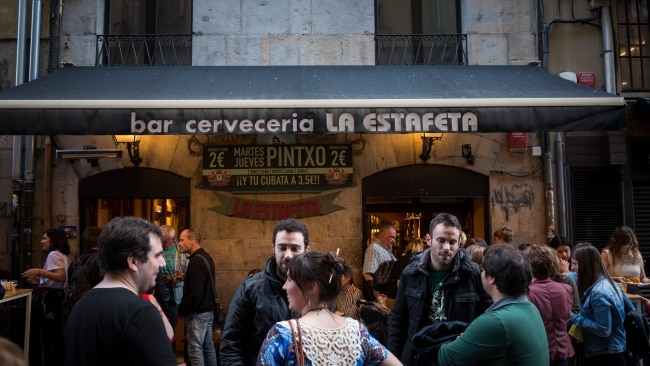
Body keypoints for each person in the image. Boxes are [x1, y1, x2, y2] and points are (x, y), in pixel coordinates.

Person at [64, 216, 181, 365]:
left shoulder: (80, 306)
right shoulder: (140, 313)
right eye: (157, 255)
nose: (163, 263)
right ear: (133, 261)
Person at [257, 251, 402, 365]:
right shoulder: (356, 332)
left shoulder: (282, 335)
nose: (285, 286)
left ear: (311, 287)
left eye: (290, 279)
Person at [388, 213, 492, 365]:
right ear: (428, 240)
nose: (446, 248)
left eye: (452, 242)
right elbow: (398, 322)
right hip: (418, 357)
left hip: (458, 357)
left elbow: (487, 319)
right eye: (441, 240)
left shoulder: (473, 274)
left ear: (459, 244)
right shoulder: (411, 274)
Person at [435, 244, 549, 365]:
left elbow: (446, 358)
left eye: (483, 269)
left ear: (492, 278)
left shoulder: (497, 321)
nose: (481, 273)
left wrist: (459, 341)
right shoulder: (530, 307)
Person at [220, 218, 310, 366]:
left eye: (295, 248)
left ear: (306, 250)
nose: (288, 255)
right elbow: (231, 346)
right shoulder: (251, 288)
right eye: (282, 247)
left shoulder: (317, 292)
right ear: (273, 248)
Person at [571, 244, 635, 365]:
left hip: (605, 356)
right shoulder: (610, 284)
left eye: (575, 264)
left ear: (586, 265)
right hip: (615, 351)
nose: (572, 268)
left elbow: (603, 329)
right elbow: (631, 309)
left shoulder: (598, 293)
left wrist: (573, 317)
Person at [22, 228, 70, 366]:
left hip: (49, 298)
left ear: (53, 240)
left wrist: (39, 271)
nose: (42, 241)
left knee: (45, 337)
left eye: (44, 238)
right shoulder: (61, 254)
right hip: (55, 296)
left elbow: (61, 276)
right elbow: (56, 278)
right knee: (54, 336)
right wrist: (39, 280)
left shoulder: (53, 254)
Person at [524, 244, 574, 366]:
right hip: (563, 350)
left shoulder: (528, 292)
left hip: (540, 352)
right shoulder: (565, 289)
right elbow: (568, 317)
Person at [177, 228, 217, 366]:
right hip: (207, 310)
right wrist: (186, 277)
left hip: (197, 313)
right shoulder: (205, 257)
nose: (179, 243)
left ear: (192, 240)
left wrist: (184, 310)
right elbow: (203, 284)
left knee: (195, 349)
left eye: (182, 240)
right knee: (207, 348)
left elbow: (196, 292)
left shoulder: (195, 262)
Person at [159, 225, 187, 350]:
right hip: (157, 296)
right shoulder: (155, 248)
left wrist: (174, 279)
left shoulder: (180, 251)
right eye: (161, 239)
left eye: (165, 240)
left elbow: (187, 273)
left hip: (173, 297)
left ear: (171, 239)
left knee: (171, 330)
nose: (162, 242)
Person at [362, 224, 397, 301]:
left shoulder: (386, 249)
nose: (393, 241)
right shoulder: (374, 249)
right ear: (382, 235)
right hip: (380, 294)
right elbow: (367, 274)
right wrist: (376, 296)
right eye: (391, 237)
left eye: (394, 238)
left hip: (387, 292)